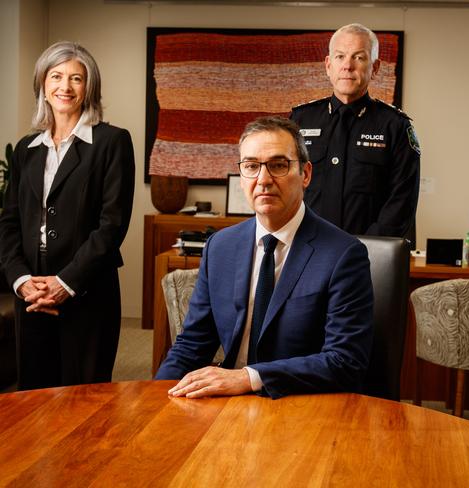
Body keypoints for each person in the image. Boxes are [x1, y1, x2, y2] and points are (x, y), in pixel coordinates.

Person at [155, 116, 373, 399]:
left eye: (279, 165)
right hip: (226, 403)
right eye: (251, 166)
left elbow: (344, 361)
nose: (263, 180)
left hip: (300, 404)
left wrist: (249, 378)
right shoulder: (220, 246)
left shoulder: (343, 254)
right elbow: (192, 344)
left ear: (305, 174)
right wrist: (155, 396)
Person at [0, 41, 135, 390]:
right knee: (32, 397)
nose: (65, 86)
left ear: (89, 87)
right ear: (42, 85)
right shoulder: (26, 151)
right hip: (31, 292)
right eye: (56, 76)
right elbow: (10, 223)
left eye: (76, 78)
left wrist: (66, 283)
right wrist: (20, 281)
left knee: (84, 399)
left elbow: (112, 225)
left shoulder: (112, 142)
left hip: (87, 288)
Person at [290, 23, 420, 241]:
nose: (347, 66)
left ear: (375, 67)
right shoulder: (300, 120)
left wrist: (365, 249)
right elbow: (286, 185)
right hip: (306, 247)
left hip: (369, 254)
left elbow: (402, 201)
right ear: (328, 65)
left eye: (359, 57)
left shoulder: (395, 126)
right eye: (340, 57)